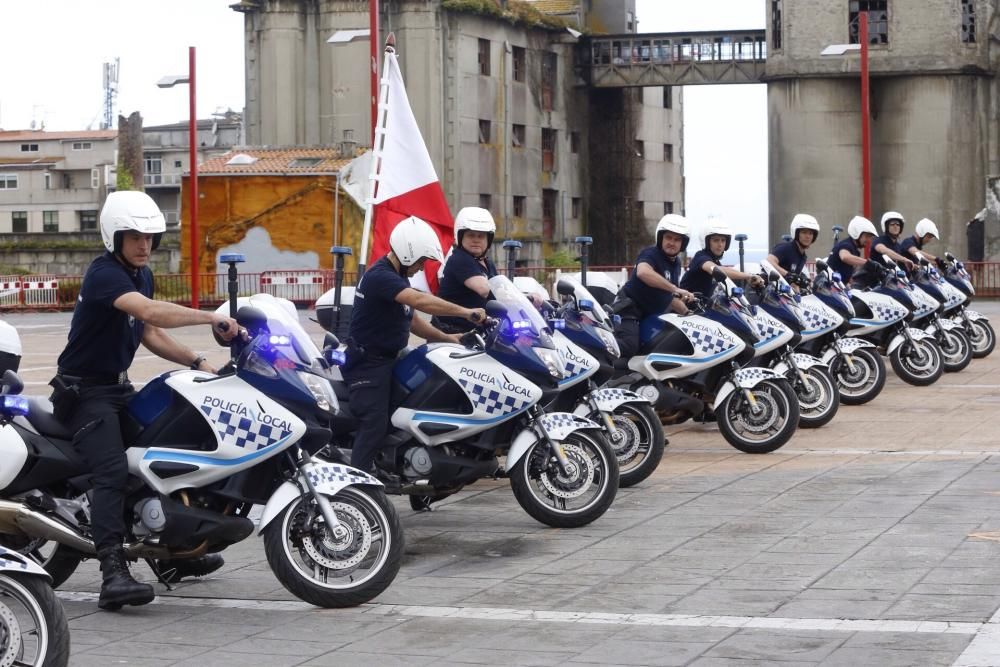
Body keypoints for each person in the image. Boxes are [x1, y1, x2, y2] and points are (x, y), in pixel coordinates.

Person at [51, 191, 240, 611]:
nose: (144, 245)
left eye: (150, 237)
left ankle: (170, 557)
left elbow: (148, 333)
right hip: (83, 392)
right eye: (134, 236)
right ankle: (112, 572)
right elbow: (152, 314)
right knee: (114, 470)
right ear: (114, 237)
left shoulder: (142, 275)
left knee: (158, 451)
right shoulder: (105, 275)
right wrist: (211, 316)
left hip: (116, 389)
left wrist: (198, 361)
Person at [345, 216, 487, 474]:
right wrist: (466, 312)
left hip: (392, 359)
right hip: (369, 365)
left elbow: (411, 319)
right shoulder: (380, 277)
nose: (421, 268)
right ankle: (358, 485)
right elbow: (420, 301)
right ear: (408, 253)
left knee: (420, 405)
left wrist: (447, 339)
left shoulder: (397, 277)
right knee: (374, 424)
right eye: (421, 261)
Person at [614, 214, 695, 357]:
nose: (672, 242)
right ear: (661, 238)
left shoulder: (676, 263)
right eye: (668, 238)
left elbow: (671, 299)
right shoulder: (651, 253)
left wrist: (690, 316)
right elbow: (643, 273)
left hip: (649, 315)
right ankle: (605, 371)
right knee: (629, 345)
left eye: (677, 240)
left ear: (683, 244)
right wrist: (675, 289)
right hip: (629, 309)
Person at [433, 206, 498, 334]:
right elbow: (483, 289)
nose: (476, 240)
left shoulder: (488, 263)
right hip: (452, 333)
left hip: (476, 331)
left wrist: (526, 298)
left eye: (481, 236)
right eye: (471, 235)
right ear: (461, 236)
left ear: (488, 239)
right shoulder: (459, 259)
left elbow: (500, 289)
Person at [679, 219, 764, 297]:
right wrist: (748, 276)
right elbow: (714, 269)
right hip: (685, 309)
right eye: (716, 240)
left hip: (702, 309)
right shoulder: (701, 257)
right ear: (707, 242)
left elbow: (725, 277)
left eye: (723, 240)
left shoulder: (716, 262)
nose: (720, 245)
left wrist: (749, 281)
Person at [827, 215, 879, 286]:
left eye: (870, 237)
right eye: (867, 236)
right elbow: (845, 257)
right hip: (831, 287)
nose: (869, 240)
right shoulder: (846, 245)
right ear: (856, 233)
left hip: (839, 287)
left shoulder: (855, 250)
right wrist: (869, 263)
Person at [766, 213, 820, 279]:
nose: (807, 236)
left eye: (811, 233)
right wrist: (787, 274)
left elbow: (793, 280)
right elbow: (768, 261)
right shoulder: (786, 248)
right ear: (796, 233)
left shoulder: (803, 256)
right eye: (804, 232)